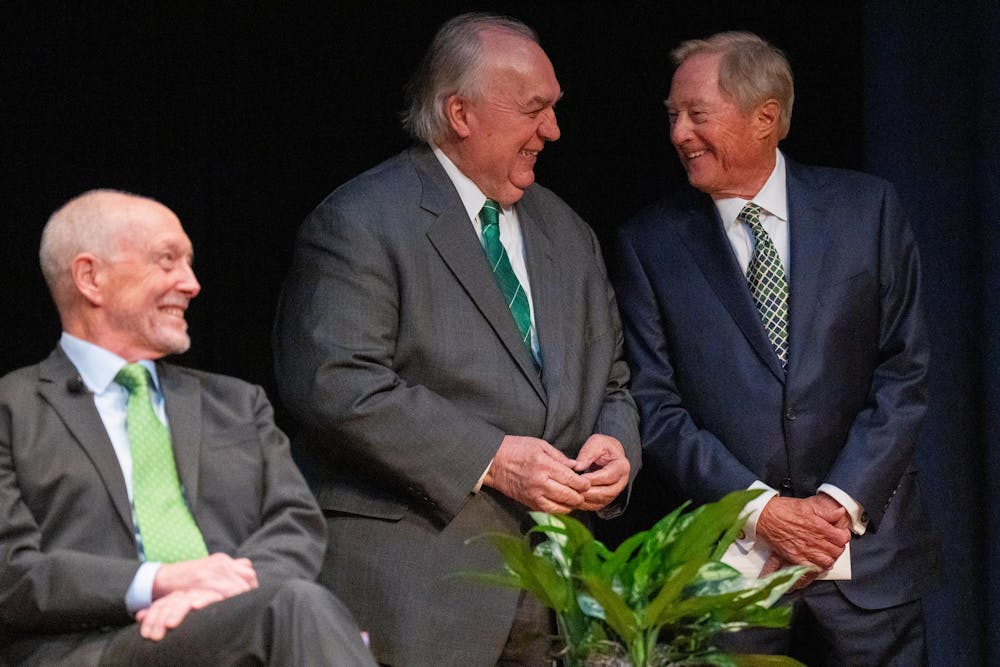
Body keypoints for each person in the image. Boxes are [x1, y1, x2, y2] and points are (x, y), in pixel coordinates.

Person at [273, 12, 641, 667]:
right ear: (460, 113)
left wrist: (615, 447)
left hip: (557, 602)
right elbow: (336, 381)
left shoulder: (569, 232)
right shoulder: (360, 221)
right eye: (535, 109)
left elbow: (611, 379)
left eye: (554, 109)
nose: (552, 131)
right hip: (416, 596)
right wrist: (495, 458)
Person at [614, 31, 938, 664]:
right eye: (672, 116)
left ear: (765, 117)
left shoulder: (865, 210)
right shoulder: (648, 244)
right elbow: (653, 404)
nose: (679, 133)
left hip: (866, 566)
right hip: (729, 575)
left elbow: (904, 372)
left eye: (696, 115)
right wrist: (761, 511)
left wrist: (833, 505)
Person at [0, 190, 377, 666]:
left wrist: (211, 596)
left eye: (189, 263)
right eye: (167, 261)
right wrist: (160, 582)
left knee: (305, 612)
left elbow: (293, 524)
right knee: (300, 610)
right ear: (90, 278)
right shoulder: (12, 411)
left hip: (235, 623)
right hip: (89, 648)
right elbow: (9, 572)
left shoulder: (237, 403)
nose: (192, 283)